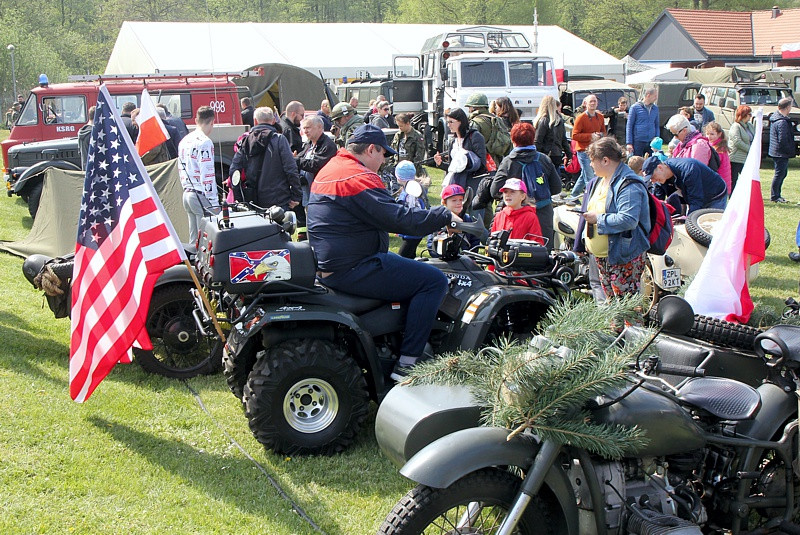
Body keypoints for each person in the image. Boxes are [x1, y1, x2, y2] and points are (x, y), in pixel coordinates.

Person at [306, 124, 459, 380]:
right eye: (383, 154)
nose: (384, 160)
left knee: (407, 267)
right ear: (371, 149)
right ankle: (409, 363)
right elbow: (399, 219)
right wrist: (443, 215)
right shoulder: (356, 177)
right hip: (355, 266)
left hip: (333, 263)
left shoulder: (332, 168)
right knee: (433, 280)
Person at [581, 137, 651, 299]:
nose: (591, 164)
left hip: (622, 257)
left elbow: (628, 219)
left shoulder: (628, 184)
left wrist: (598, 219)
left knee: (627, 310)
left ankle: (631, 327)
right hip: (604, 257)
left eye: (593, 160)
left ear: (605, 160)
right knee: (613, 309)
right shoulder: (600, 180)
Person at [490, 122, 561, 249]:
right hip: (543, 212)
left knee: (513, 252)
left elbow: (494, 190)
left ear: (513, 140)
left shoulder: (508, 162)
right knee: (543, 251)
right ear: (533, 139)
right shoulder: (544, 159)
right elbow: (557, 188)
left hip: (516, 214)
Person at [230, 106, 301, 211]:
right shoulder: (280, 140)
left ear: (255, 121)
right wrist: (296, 195)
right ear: (273, 121)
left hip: (253, 201)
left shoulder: (245, 141)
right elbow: (291, 169)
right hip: (279, 200)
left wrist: (240, 199)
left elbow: (234, 171)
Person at [434, 107, 487, 219]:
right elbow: (452, 168)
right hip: (457, 186)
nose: (448, 125)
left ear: (461, 122)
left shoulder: (475, 136)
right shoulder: (452, 141)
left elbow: (482, 163)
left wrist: (466, 161)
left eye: (451, 122)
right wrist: (440, 164)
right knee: (457, 219)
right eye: (448, 122)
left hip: (473, 185)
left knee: (474, 219)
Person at [178, 106, 218, 242]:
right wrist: (214, 202)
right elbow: (207, 175)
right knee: (205, 239)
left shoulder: (184, 141)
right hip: (200, 194)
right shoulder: (205, 142)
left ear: (196, 120)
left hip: (187, 192)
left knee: (193, 237)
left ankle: (193, 262)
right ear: (212, 122)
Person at [294, 115, 337, 239]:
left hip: (321, 193)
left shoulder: (327, 145)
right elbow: (301, 159)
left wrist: (296, 160)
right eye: (304, 128)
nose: (305, 131)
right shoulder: (308, 145)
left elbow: (316, 165)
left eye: (308, 128)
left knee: (319, 223)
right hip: (307, 192)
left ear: (320, 127)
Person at [643, 155, 727, 215]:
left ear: (660, 168)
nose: (653, 181)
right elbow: (658, 204)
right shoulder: (660, 180)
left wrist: (689, 221)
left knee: (710, 229)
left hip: (715, 195)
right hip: (693, 197)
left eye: (653, 177)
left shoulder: (689, 170)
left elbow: (696, 201)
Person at [427, 184, 480, 257]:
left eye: (461, 200)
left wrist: (471, 255)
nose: (458, 203)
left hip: (464, 259)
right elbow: (431, 244)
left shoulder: (467, 219)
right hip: (443, 261)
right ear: (444, 203)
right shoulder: (438, 220)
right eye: (454, 200)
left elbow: (474, 239)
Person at [570, 94, 606, 197]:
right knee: (590, 178)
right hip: (583, 151)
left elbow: (604, 131)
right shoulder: (580, 118)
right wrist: (591, 136)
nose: (593, 103)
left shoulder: (600, 117)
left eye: (595, 101)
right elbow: (574, 135)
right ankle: (591, 200)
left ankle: (574, 195)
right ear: (585, 104)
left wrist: (600, 135)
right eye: (591, 101)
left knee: (585, 175)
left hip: (595, 151)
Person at [489, 178, 543, 243]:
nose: (508, 195)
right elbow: (492, 240)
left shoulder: (530, 217)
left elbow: (537, 244)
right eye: (505, 192)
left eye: (512, 191)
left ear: (523, 196)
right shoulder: (499, 215)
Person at [466, 92, 510, 166]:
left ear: (474, 108)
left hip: (482, 162)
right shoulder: (497, 119)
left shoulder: (475, 122)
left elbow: (471, 145)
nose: (469, 110)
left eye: (469, 107)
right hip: (497, 162)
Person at [395, 161, 428, 259]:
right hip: (413, 229)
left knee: (402, 257)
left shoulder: (411, 192)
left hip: (413, 230)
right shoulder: (412, 187)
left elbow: (412, 211)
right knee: (410, 255)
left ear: (399, 177)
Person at [769, 97, 796, 203]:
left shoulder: (777, 118)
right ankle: (775, 196)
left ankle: (777, 194)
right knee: (779, 174)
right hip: (780, 152)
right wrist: (789, 150)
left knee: (782, 173)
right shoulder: (781, 122)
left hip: (777, 151)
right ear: (788, 107)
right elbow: (783, 139)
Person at [533, 94, 571, 171]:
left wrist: (534, 155)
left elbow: (538, 140)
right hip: (557, 154)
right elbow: (564, 139)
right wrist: (569, 154)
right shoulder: (559, 120)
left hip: (546, 154)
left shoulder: (543, 120)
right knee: (555, 177)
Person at [728, 105, 755, 190]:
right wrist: (750, 149)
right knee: (734, 180)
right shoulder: (735, 126)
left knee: (748, 179)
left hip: (746, 158)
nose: (750, 116)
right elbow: (737, 141)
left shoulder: (750, 125)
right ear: (743, 114)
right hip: (735, 158)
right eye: (749, 114)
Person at [626, 88, 659, 156]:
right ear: (648, 95)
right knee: (638, 163)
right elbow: (629, 126)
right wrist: (629, 143)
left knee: (652, 163)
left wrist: (657, 139)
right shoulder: (635, 108)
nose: (656, 98)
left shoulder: (655, 108)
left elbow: (656, 125)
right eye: (655, 96)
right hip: (638, 141)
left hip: (651, 141)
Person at [704, 122, 731, 194]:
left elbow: (712, 165)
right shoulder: (713, 145)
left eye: (712, 134)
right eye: (707, 134)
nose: (709, 136)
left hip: (720, 183)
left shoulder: (719, 149)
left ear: (719, 134)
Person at [78, 106, 96, 170]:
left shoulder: (81, 131)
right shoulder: (94, 133)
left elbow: (79, 152)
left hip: (85, 168)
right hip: (94, 170)